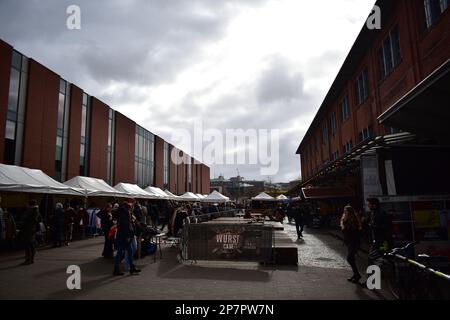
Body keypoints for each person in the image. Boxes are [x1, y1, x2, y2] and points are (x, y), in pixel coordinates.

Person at [113, 201, 141, 276]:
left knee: (129, 251)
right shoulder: (125, 214)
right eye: (131, 207)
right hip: (124, 237)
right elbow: (125, 226)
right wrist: (128, 236)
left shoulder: (123, 213)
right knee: (121, 253)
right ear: (128, 207)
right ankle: (117, 269)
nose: (132, 208)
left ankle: (131, 267)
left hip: (121, 236)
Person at [341, 205, 362, 284]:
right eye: (344, 210)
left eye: (346, 211)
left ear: (349, 212)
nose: (344, 212)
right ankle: (355, 275)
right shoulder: (346, 218)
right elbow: (344, 230)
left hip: (354, 241)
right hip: (349, 241)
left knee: (349, 258)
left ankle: (357, 275)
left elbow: (354, 230)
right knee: (351, 258)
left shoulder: (353, 219)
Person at [366, 198, 392, 263]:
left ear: (374, 205)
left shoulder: (381, 213)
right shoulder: (372, 213)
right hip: (375, 240)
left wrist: (373, 226)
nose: (368, 205)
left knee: (375, 257)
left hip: (381, 241)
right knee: (373, 258)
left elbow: (385, 226)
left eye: (369, 204)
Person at [20, 200, 42, 265]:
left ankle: (28, 260)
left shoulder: (31, 211)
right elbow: (39, 220)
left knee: (28, 245)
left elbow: (28, 219)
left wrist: (25, 219)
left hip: (29, 230)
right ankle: (31, 259)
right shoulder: (36, 210)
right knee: (31, 245)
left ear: (30, 204)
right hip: (32, 230)